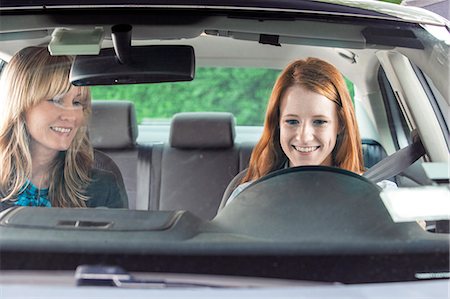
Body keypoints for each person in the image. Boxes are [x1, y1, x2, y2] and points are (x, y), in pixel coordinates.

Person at [224, 57, 396, 205]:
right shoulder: (247, 198)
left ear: (340, 124)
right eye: (292, 121)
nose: (304, 137)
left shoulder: (381, 195)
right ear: (277, 124)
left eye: (319, 122)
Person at [0, 47, 126, 209]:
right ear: (20, 105)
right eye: (56, 100)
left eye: (77, 103)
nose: (71, 116)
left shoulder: (101, 187)